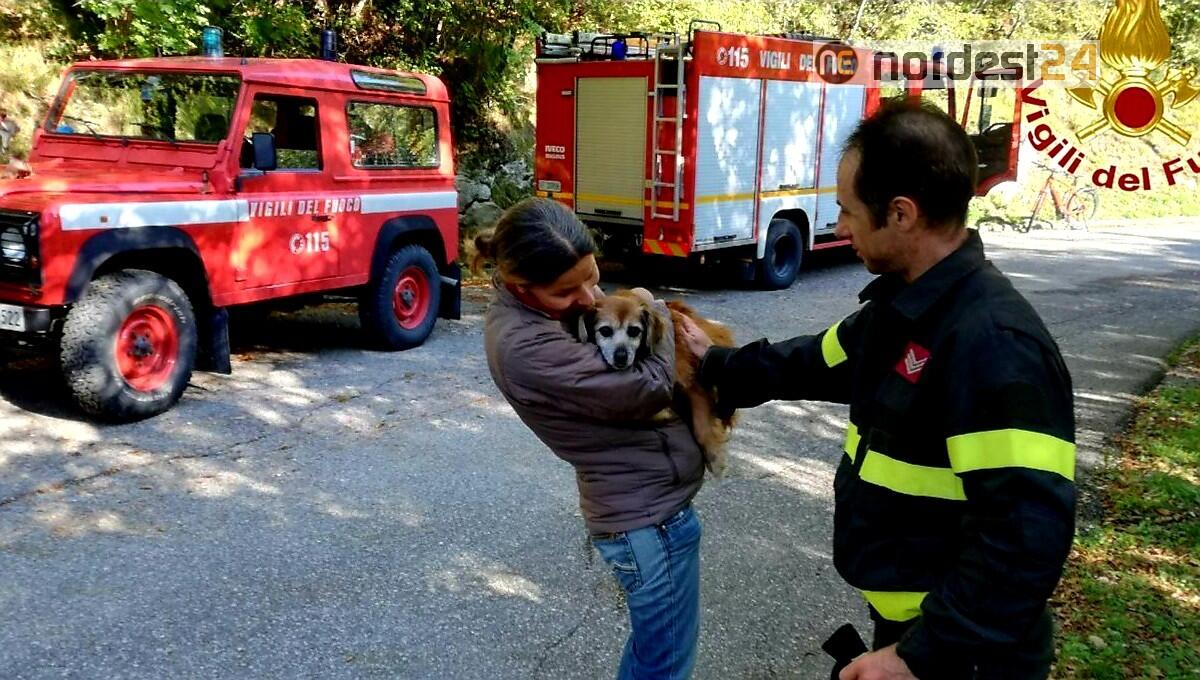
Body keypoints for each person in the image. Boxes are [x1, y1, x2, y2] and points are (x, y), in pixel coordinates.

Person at [680, 100, 1076, 679]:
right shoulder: (902, 308)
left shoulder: (994, 343)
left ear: (901, 214)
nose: (839, 228)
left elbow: (1023, 540)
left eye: (847, 211)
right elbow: (813, 362)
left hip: (966, 655)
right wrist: (716, 361)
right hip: (915, 630)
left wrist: (918, 658)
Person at [476, 197, 706, 679]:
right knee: (663, 667)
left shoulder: (544, 315)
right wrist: (653, 311)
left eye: (592, 276)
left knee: (656, 657)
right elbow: (646, 388)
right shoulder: (526, 344)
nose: (588, 296)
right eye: (567, 290)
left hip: (650, 509)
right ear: (522, 286)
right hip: (646, 521)